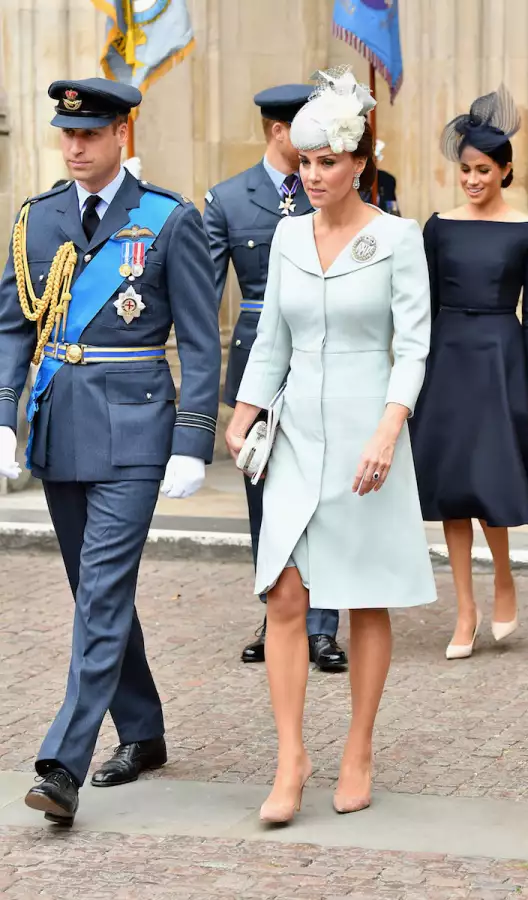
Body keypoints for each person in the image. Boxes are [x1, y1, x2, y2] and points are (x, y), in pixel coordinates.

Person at [0, 78, 221, 824]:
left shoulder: (166, 219)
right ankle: (145, 730)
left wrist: (193, 439)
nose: (75, 147)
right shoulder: (38, 218)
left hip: (135, 428)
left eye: (90, 134)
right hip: (61, 423)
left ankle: (64, 761)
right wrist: (3, 419)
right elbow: (11, 329)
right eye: (66, 134)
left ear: (121, 132)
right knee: (95, 591)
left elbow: (196, 337)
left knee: (100, 588)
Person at [226, 68, 436, 824]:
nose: (313, 175)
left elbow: (413, 346)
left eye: (327, 162)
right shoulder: (286, 235)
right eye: (305, 162)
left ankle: (358, 747)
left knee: (362, 595)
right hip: (295, 437)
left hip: (365, 432)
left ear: (358, 163)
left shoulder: (395, 238)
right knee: (284, 593)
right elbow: (270, 341)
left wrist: (389, 426)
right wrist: (243, 412)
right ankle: (291, 758)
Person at [409, 85, 528, 660]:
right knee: (453, 490)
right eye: (465, 170)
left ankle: (502, 577)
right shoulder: (437, 226)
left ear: (505, 170)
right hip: (446, 361)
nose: (473, 179)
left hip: (501, 358)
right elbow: (421, 308)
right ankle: (465, 609)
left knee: (487, 485)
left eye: (484, 170)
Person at [204, 84, 347, 672]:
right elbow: (203, 296)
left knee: (328, 493)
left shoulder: (339, 192)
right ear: (277, 131)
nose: (316, 149)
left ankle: (323, 624)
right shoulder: (228, 199)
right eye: (304, 132)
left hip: (327, 355)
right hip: (258, 356)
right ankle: (278, 612)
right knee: (265, 495)